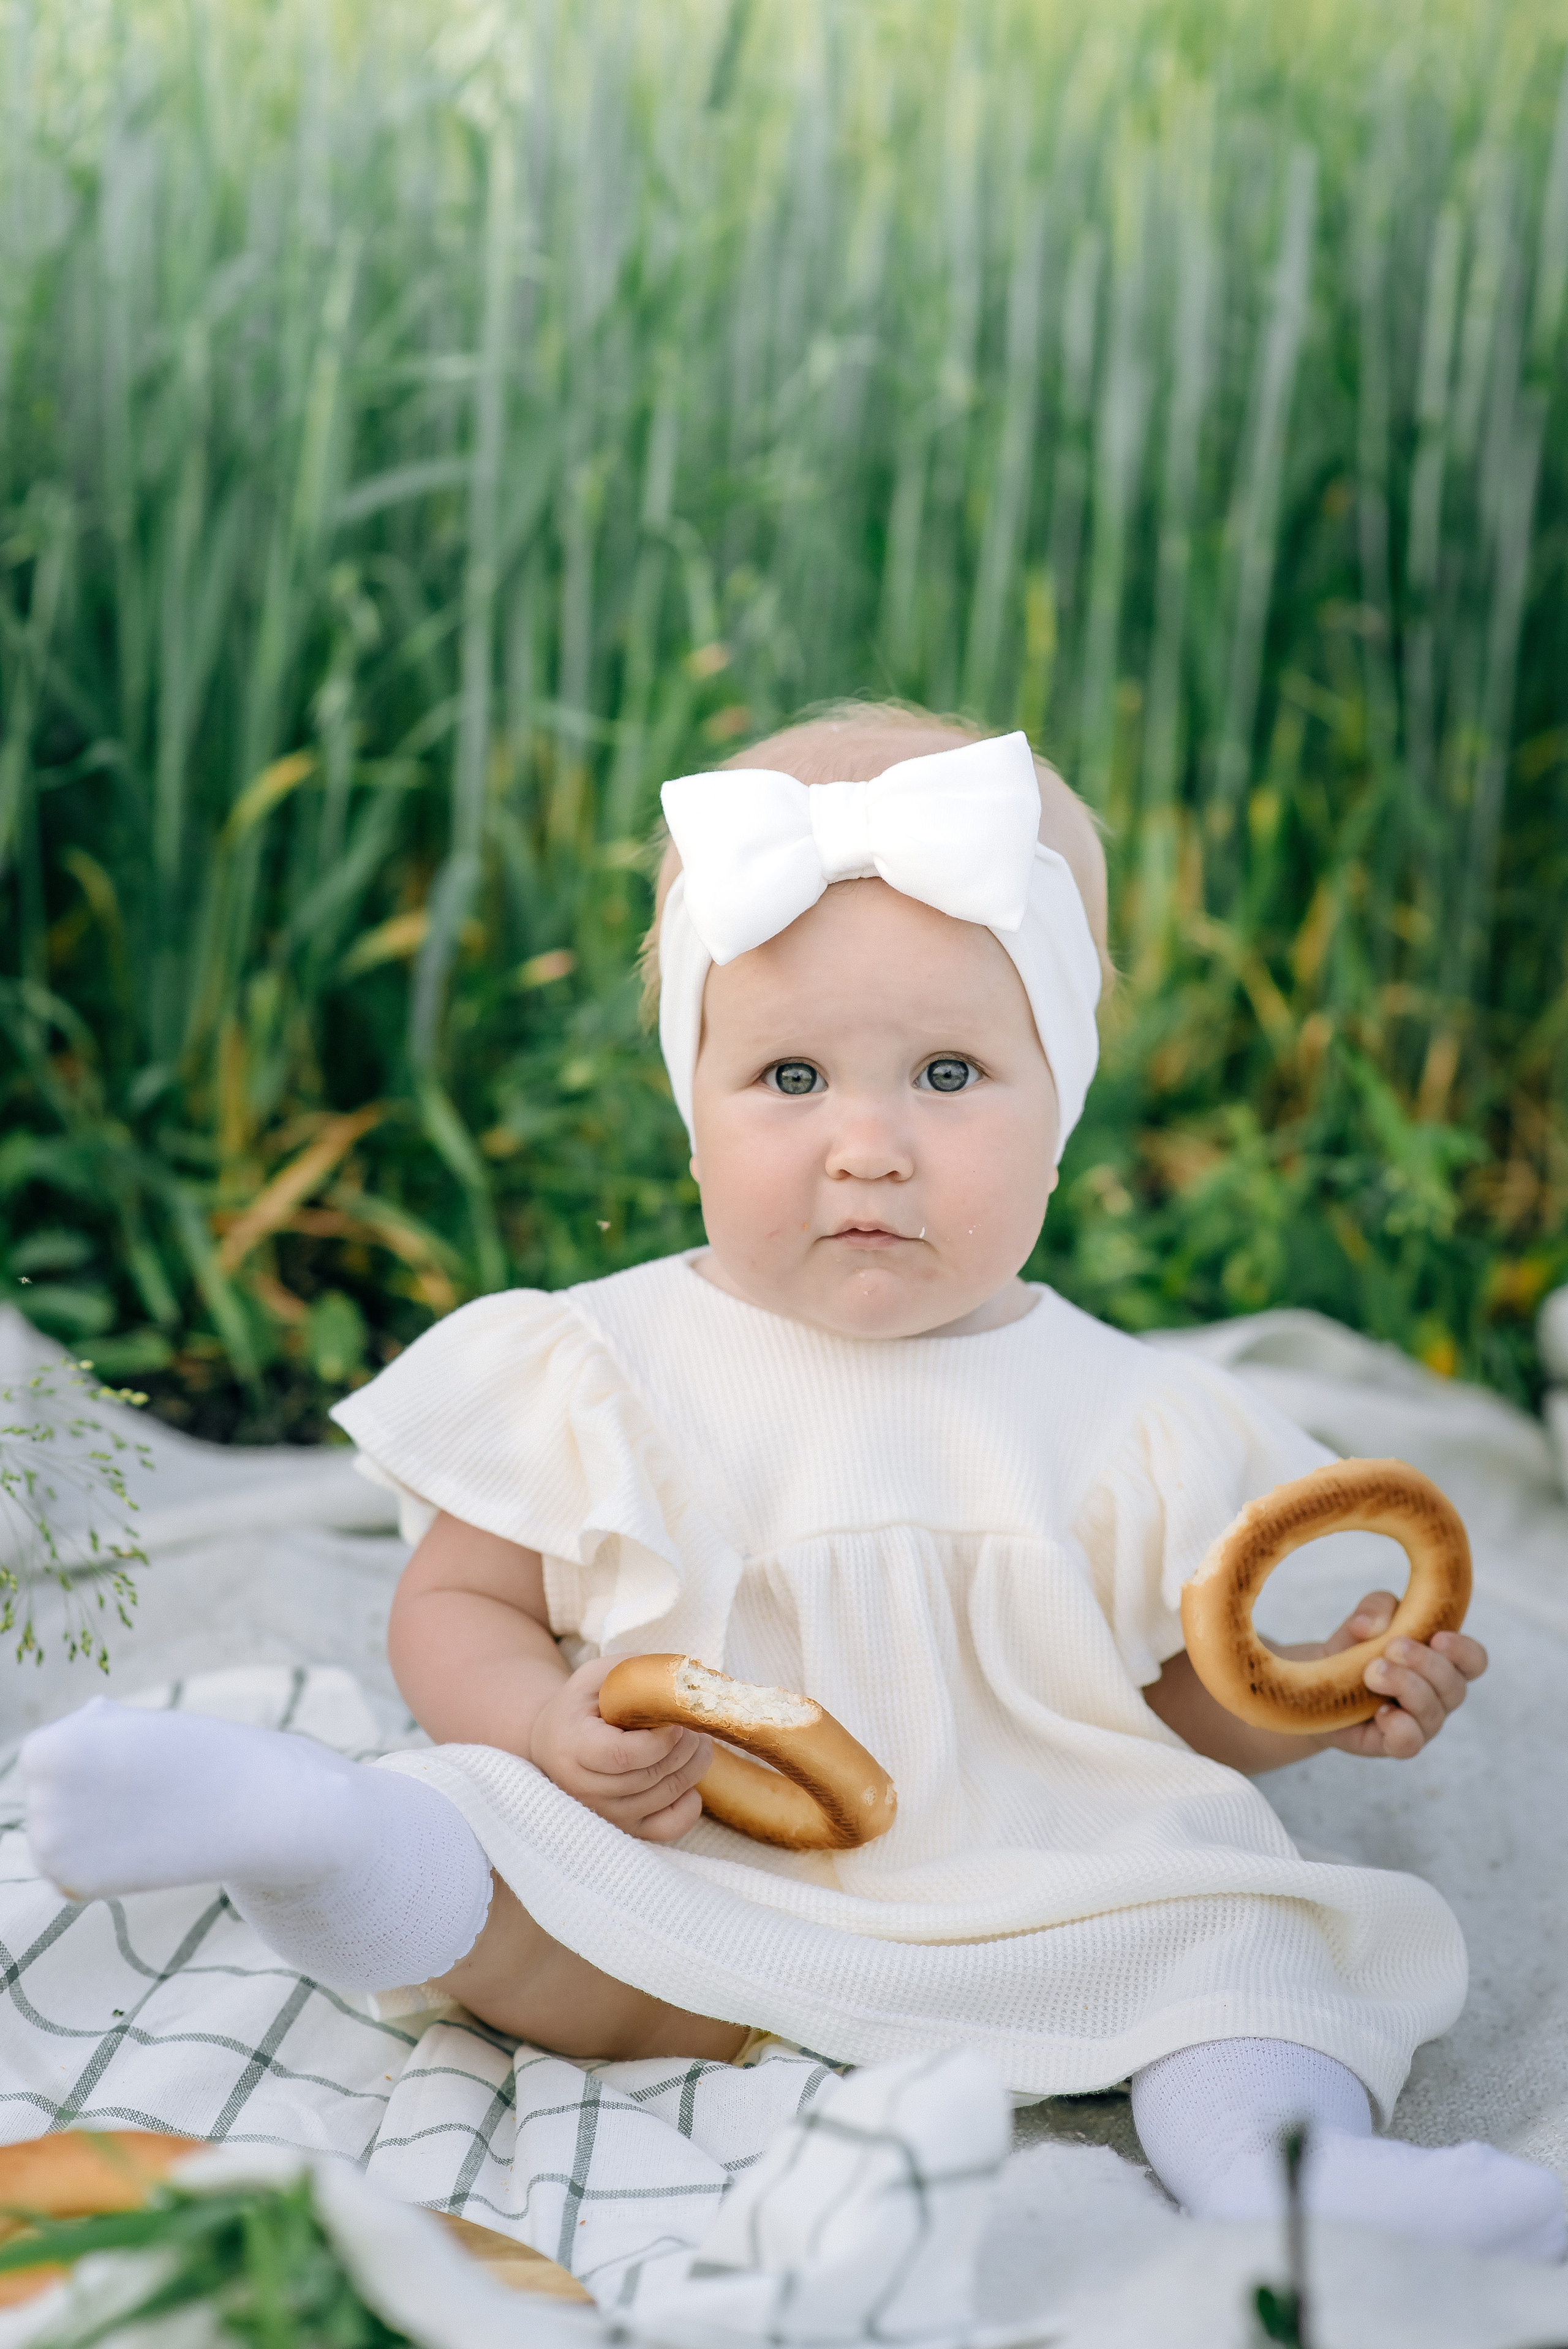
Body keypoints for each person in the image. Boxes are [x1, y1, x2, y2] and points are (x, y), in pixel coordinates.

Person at [23, 705, 1565, 2261]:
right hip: (697, 1868)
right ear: (692, 1104)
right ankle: (304, 1832)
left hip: (1067, 1881)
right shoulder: (598, 1365)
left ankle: (1287, 2167)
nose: (869, 1145)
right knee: (477, 1825)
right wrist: (541, 1725)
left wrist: (1321, 1695)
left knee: (1249, 1944)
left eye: (949, 1072)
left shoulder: (1138, 1414)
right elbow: (458, 1601)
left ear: (1062, 1110)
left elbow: (1153, 1708)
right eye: (790, 1075)